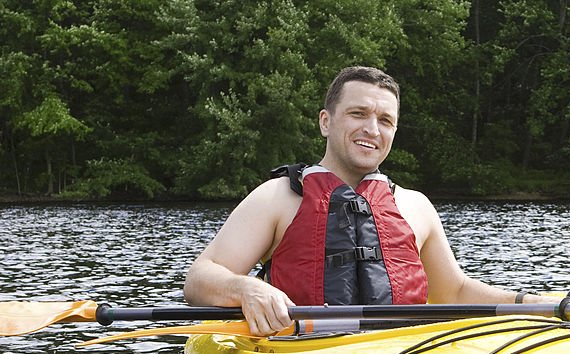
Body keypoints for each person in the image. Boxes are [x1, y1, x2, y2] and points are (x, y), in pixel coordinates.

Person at [184, 65, 544, 335]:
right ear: (326, 121)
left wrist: (531, 304)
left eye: (385, 120)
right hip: (303, 353)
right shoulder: (278, 197)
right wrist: (245, 288)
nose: (372, 129)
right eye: (358, 114)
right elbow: (199, 278)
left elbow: (455, 290)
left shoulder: (415, 206)